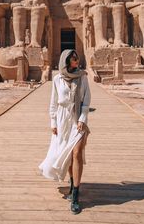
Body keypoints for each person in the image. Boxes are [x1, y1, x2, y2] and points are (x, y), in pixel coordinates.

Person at [39, 49, 91, 214]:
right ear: (66, 61)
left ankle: (75, 194)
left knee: (76, 154)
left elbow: (86, 101)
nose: (77, 60)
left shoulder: (83, 77)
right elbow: (53, 103)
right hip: (62, 120)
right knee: (68, 155)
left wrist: (82, 119)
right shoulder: (57, 79)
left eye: (77, 58)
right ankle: (72, 182)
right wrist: (53, 122)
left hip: (78, 121)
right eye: (74, 58)